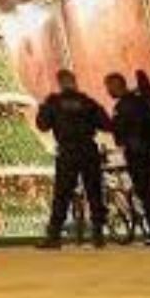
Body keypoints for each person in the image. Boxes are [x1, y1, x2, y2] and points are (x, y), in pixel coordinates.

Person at [36, 68, 110, 248]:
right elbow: (105, 124)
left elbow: (43, 125)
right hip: (88, 149)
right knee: (94, 191)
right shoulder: (87, 102)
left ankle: (54, 236)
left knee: (62, 193)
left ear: (60, 83)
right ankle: (98, 234)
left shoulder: (54, 102)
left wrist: (44, 108)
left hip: (68, 151)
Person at [106, 73, 150, 246]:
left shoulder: (123, 106)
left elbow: (119, 135)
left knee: (147, 194)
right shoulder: (141, 100)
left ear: (117, 85)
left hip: (138, 155)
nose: (108, 91)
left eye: (109, 86)